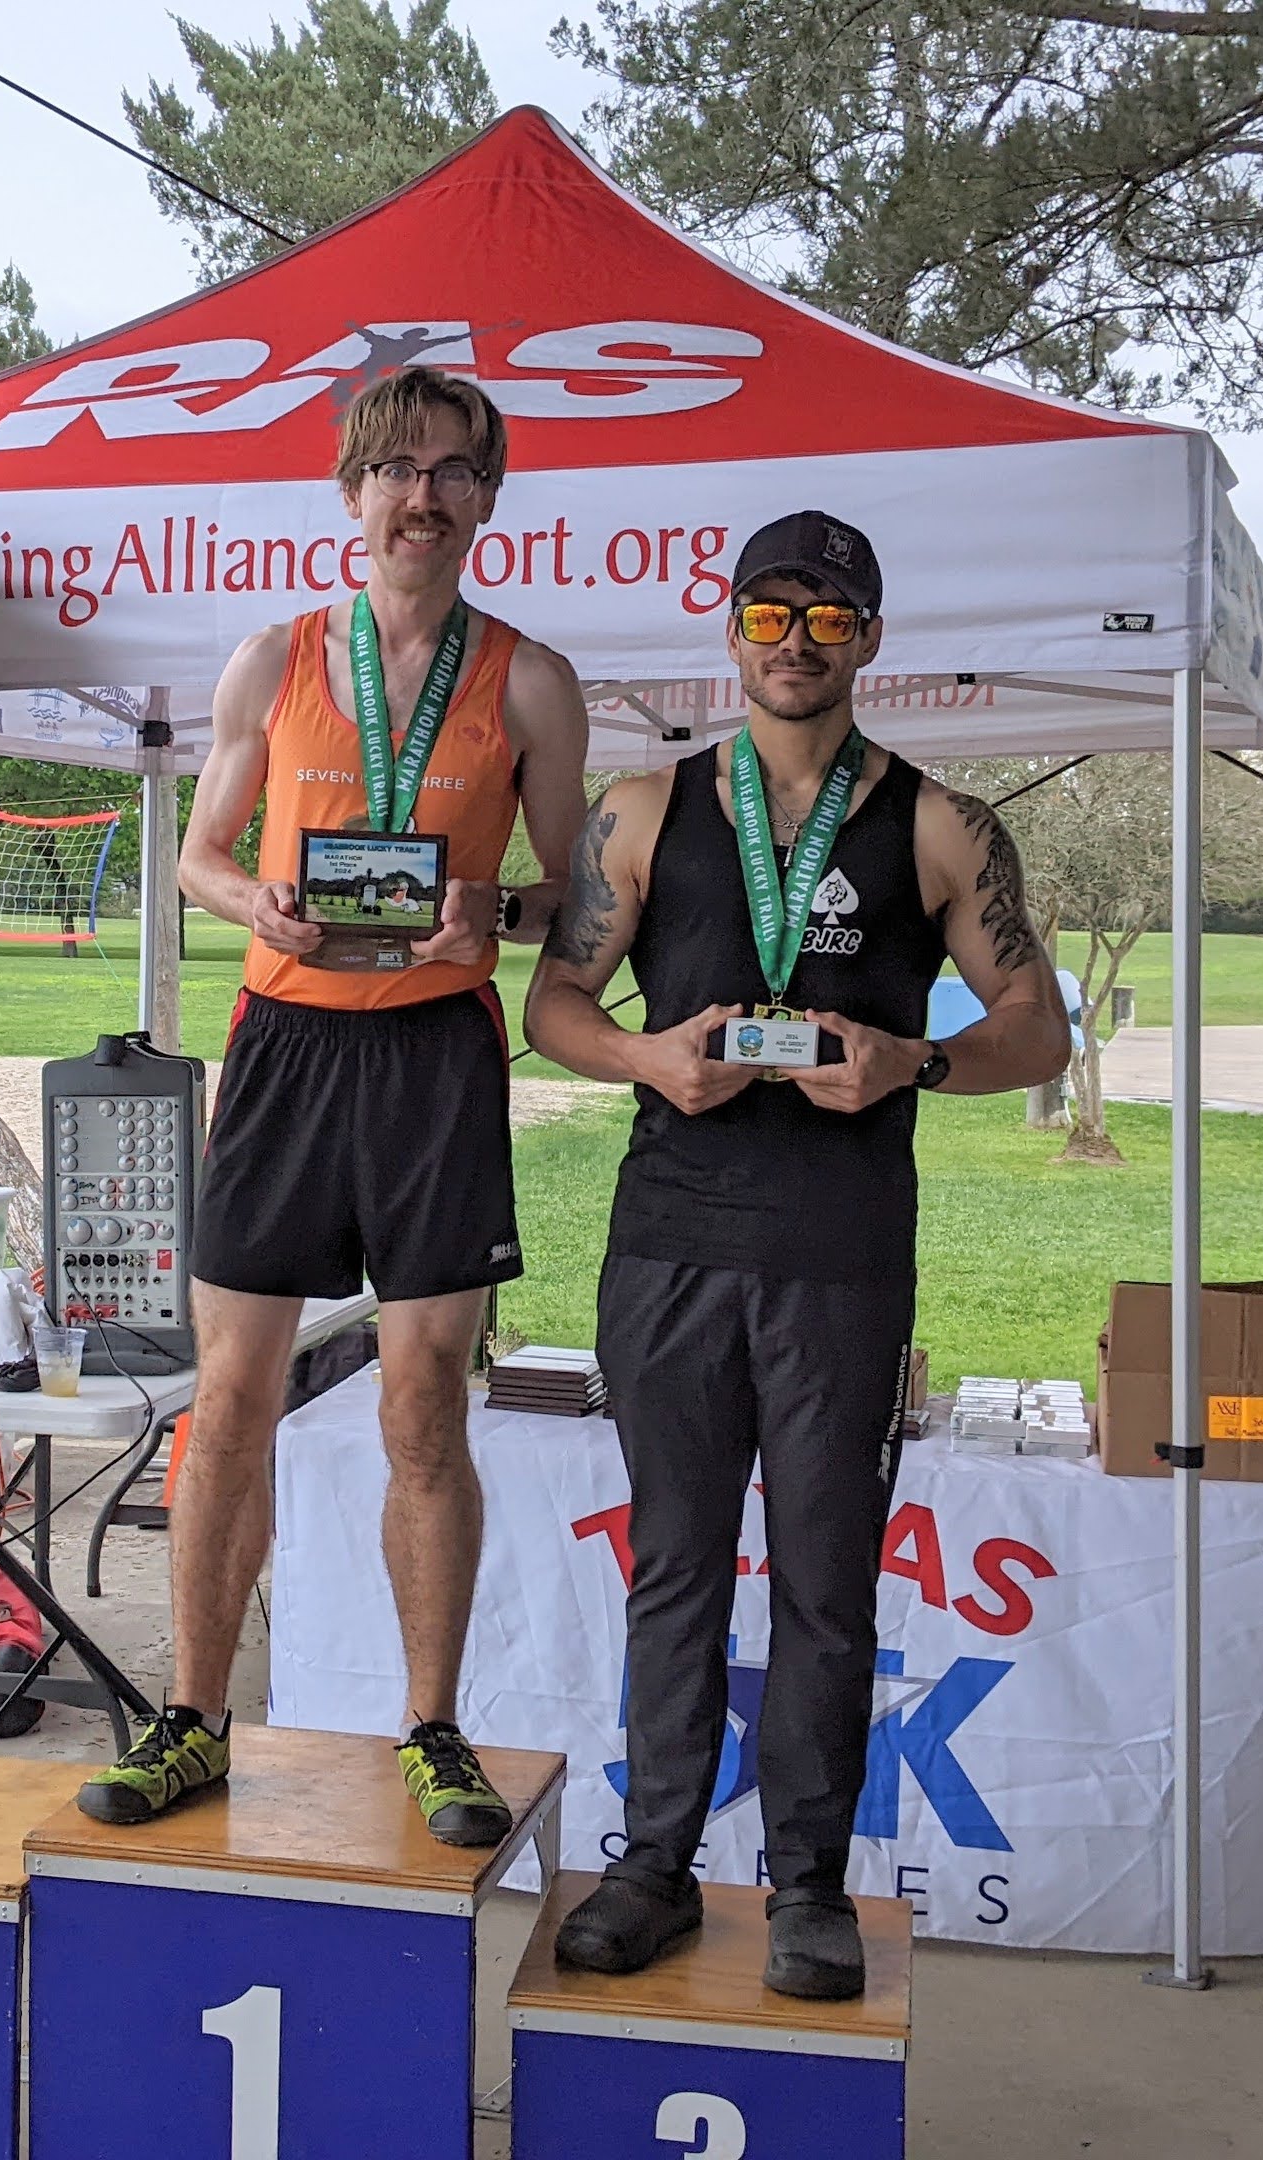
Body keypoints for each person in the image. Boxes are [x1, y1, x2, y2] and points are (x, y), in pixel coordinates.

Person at [523, 510, 1069, 1995]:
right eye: (772, 613)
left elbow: (1038, 1026)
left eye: (828, 620)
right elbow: (554, 1005)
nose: (794, 642)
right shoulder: (643, 809)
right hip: (672, 1250)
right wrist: (649, 1061)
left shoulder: (943, 825)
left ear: (870, 641)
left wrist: (915, 1061)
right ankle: (654, 1868)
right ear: (732, 627)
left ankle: (811, 1887)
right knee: (677, 1572)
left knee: (830, 1584)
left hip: (840, 1255)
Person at [80, 367, 589, 1842]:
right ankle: (191, 1716)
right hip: (288, 1046)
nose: (422, 495)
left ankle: (432, 1729)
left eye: (451, 471)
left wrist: (495, 907)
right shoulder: (271, 659)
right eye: (398, 469)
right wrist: (265, 904)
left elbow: (586, 896)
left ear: (488, 500)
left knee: (426, 1400)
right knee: (231, 1397)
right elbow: (202, 858)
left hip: (435, 1055)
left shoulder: (531, 680)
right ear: (353, 492)